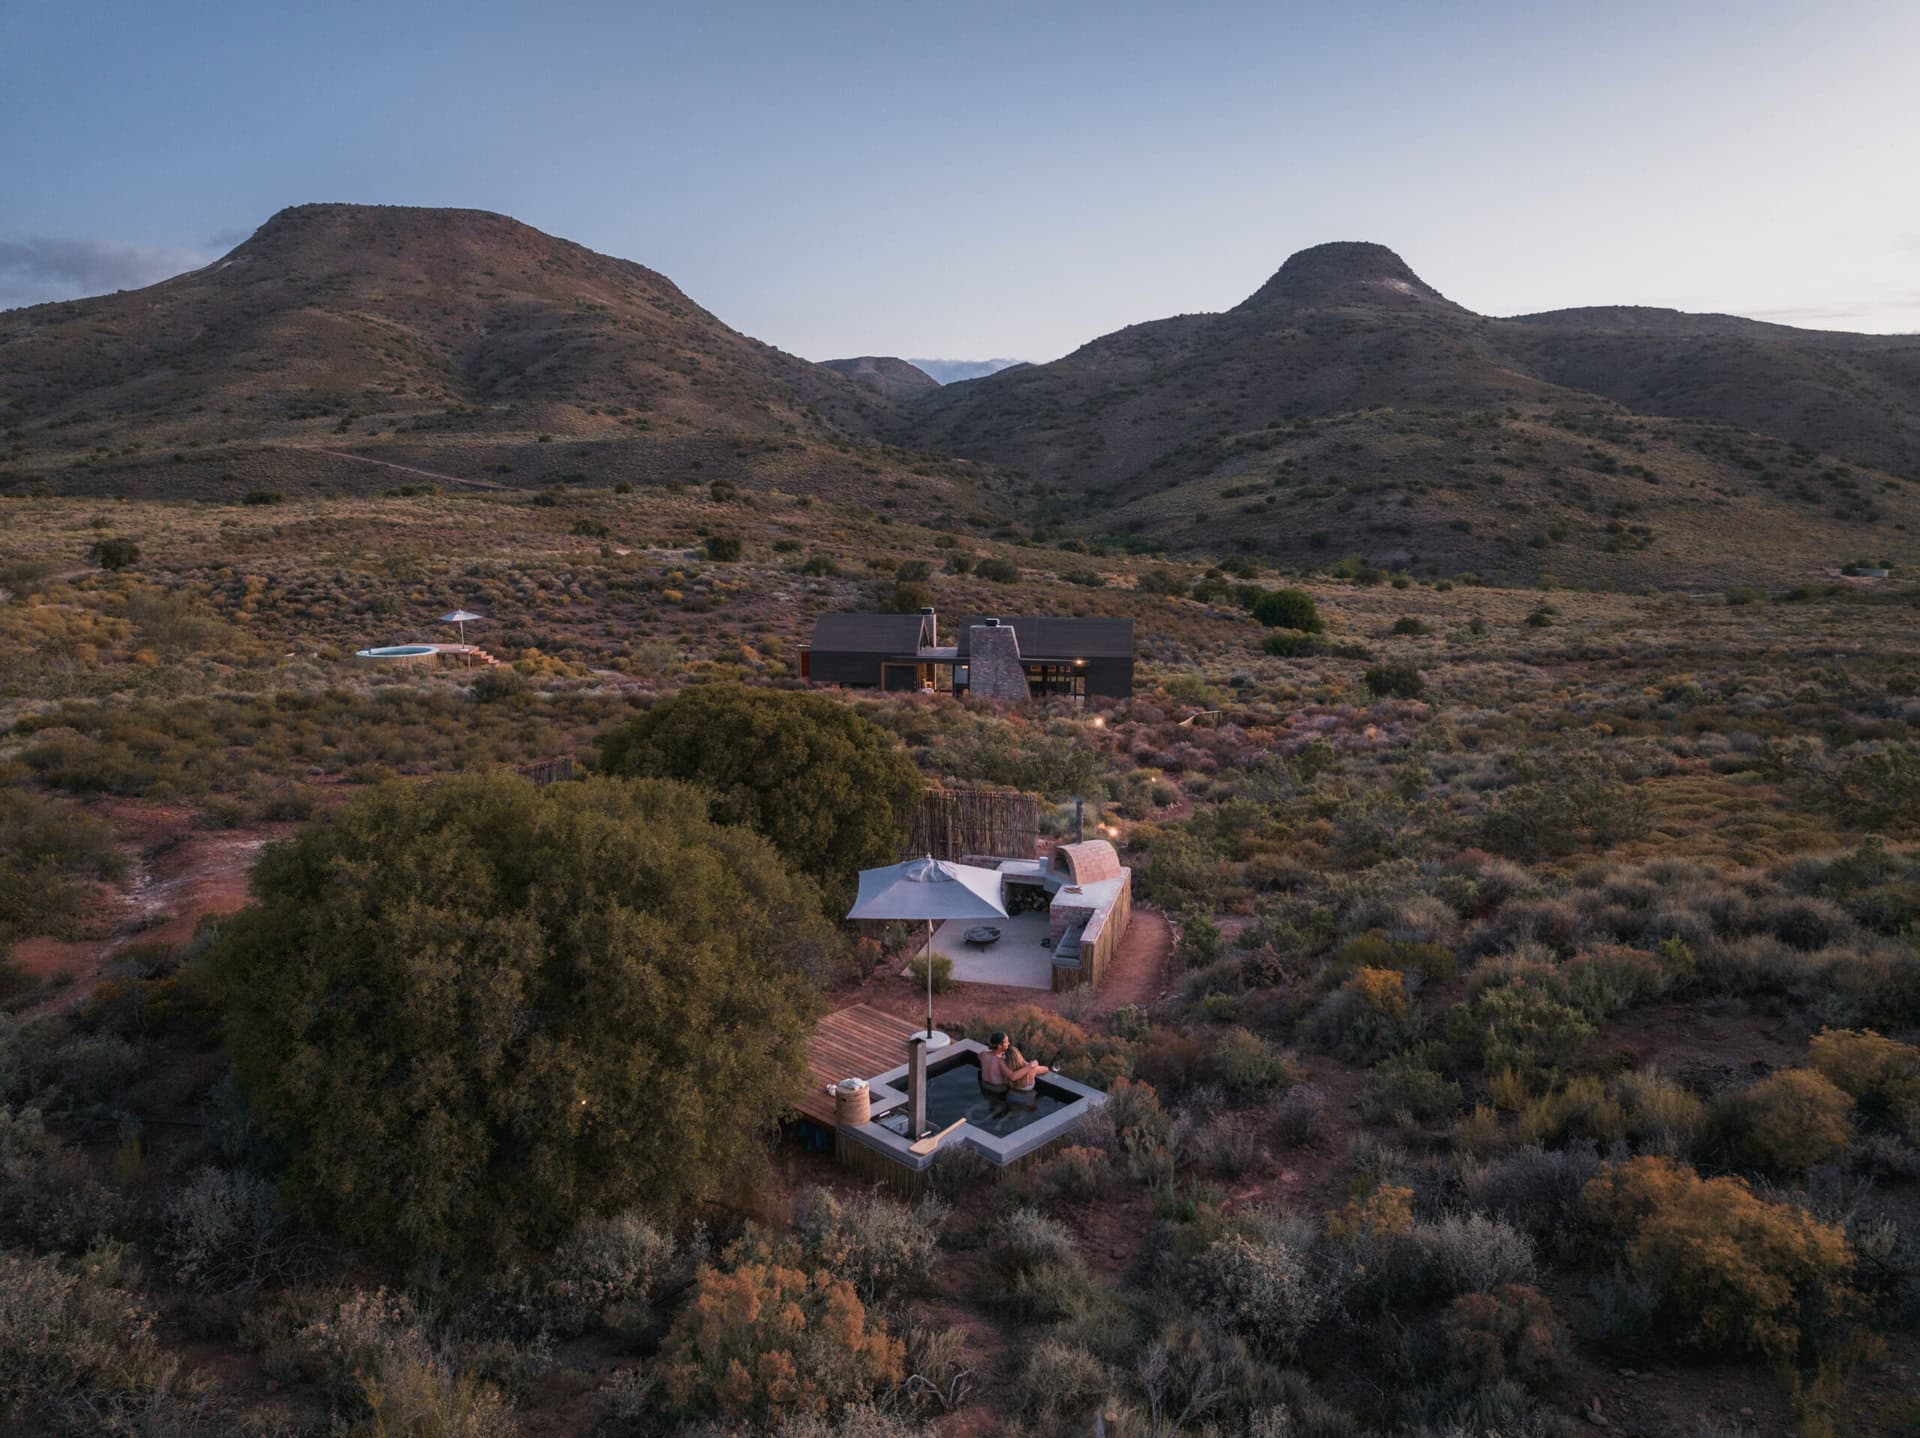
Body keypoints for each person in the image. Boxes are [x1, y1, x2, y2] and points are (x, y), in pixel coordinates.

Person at [979, 1031, 1049, 1107]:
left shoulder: (983, 1054)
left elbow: (979, 1057)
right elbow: (1012, 1077)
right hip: (998, 1089)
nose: (1009, 1043)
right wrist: (1029, 1066)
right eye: (1006, 1042)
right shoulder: (1000, 1061)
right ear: (999, 1046)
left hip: (984, 1085)